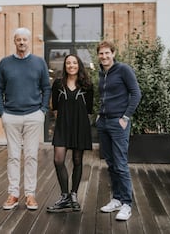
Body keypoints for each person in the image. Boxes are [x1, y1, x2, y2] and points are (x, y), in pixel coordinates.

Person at [0, 27, 51, 210]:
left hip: (34, 115)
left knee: (31, 156)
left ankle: (30, 195)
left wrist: (42, 110)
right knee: (12, 156)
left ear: (29, 41)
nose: (21, 42)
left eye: (24, 40)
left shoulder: (39, 62)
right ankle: (13, 194)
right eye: (18, 39)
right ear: (14, 41)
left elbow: (46, 87)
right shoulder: (5, 63)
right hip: (11, 116)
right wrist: (2, 112)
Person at [96, 40, 141, 221]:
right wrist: (100, 114)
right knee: (111, 163)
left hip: (118, 123)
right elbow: (105, 96)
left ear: (113, 53)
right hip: (104, 123)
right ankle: (116, 198)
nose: (104, 56)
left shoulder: (123, 70)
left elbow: (136, 93)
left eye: (107, 53)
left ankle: (127, 204)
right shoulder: (102, 73)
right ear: (98, 56)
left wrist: (126, 117)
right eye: (101, 53)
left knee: (121, 164)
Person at [46, 54, 94, 213]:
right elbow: (55, 108)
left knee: (77, 160)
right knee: (58, 160)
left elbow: (88, 109)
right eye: (68, 63)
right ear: (65, 66)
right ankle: (65, 196)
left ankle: (73, 195)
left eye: (74, 63)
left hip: (80, 126)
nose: (71, 65)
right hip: (62, 126)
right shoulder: (58, 84)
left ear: (78, 65)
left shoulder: (87, 85)